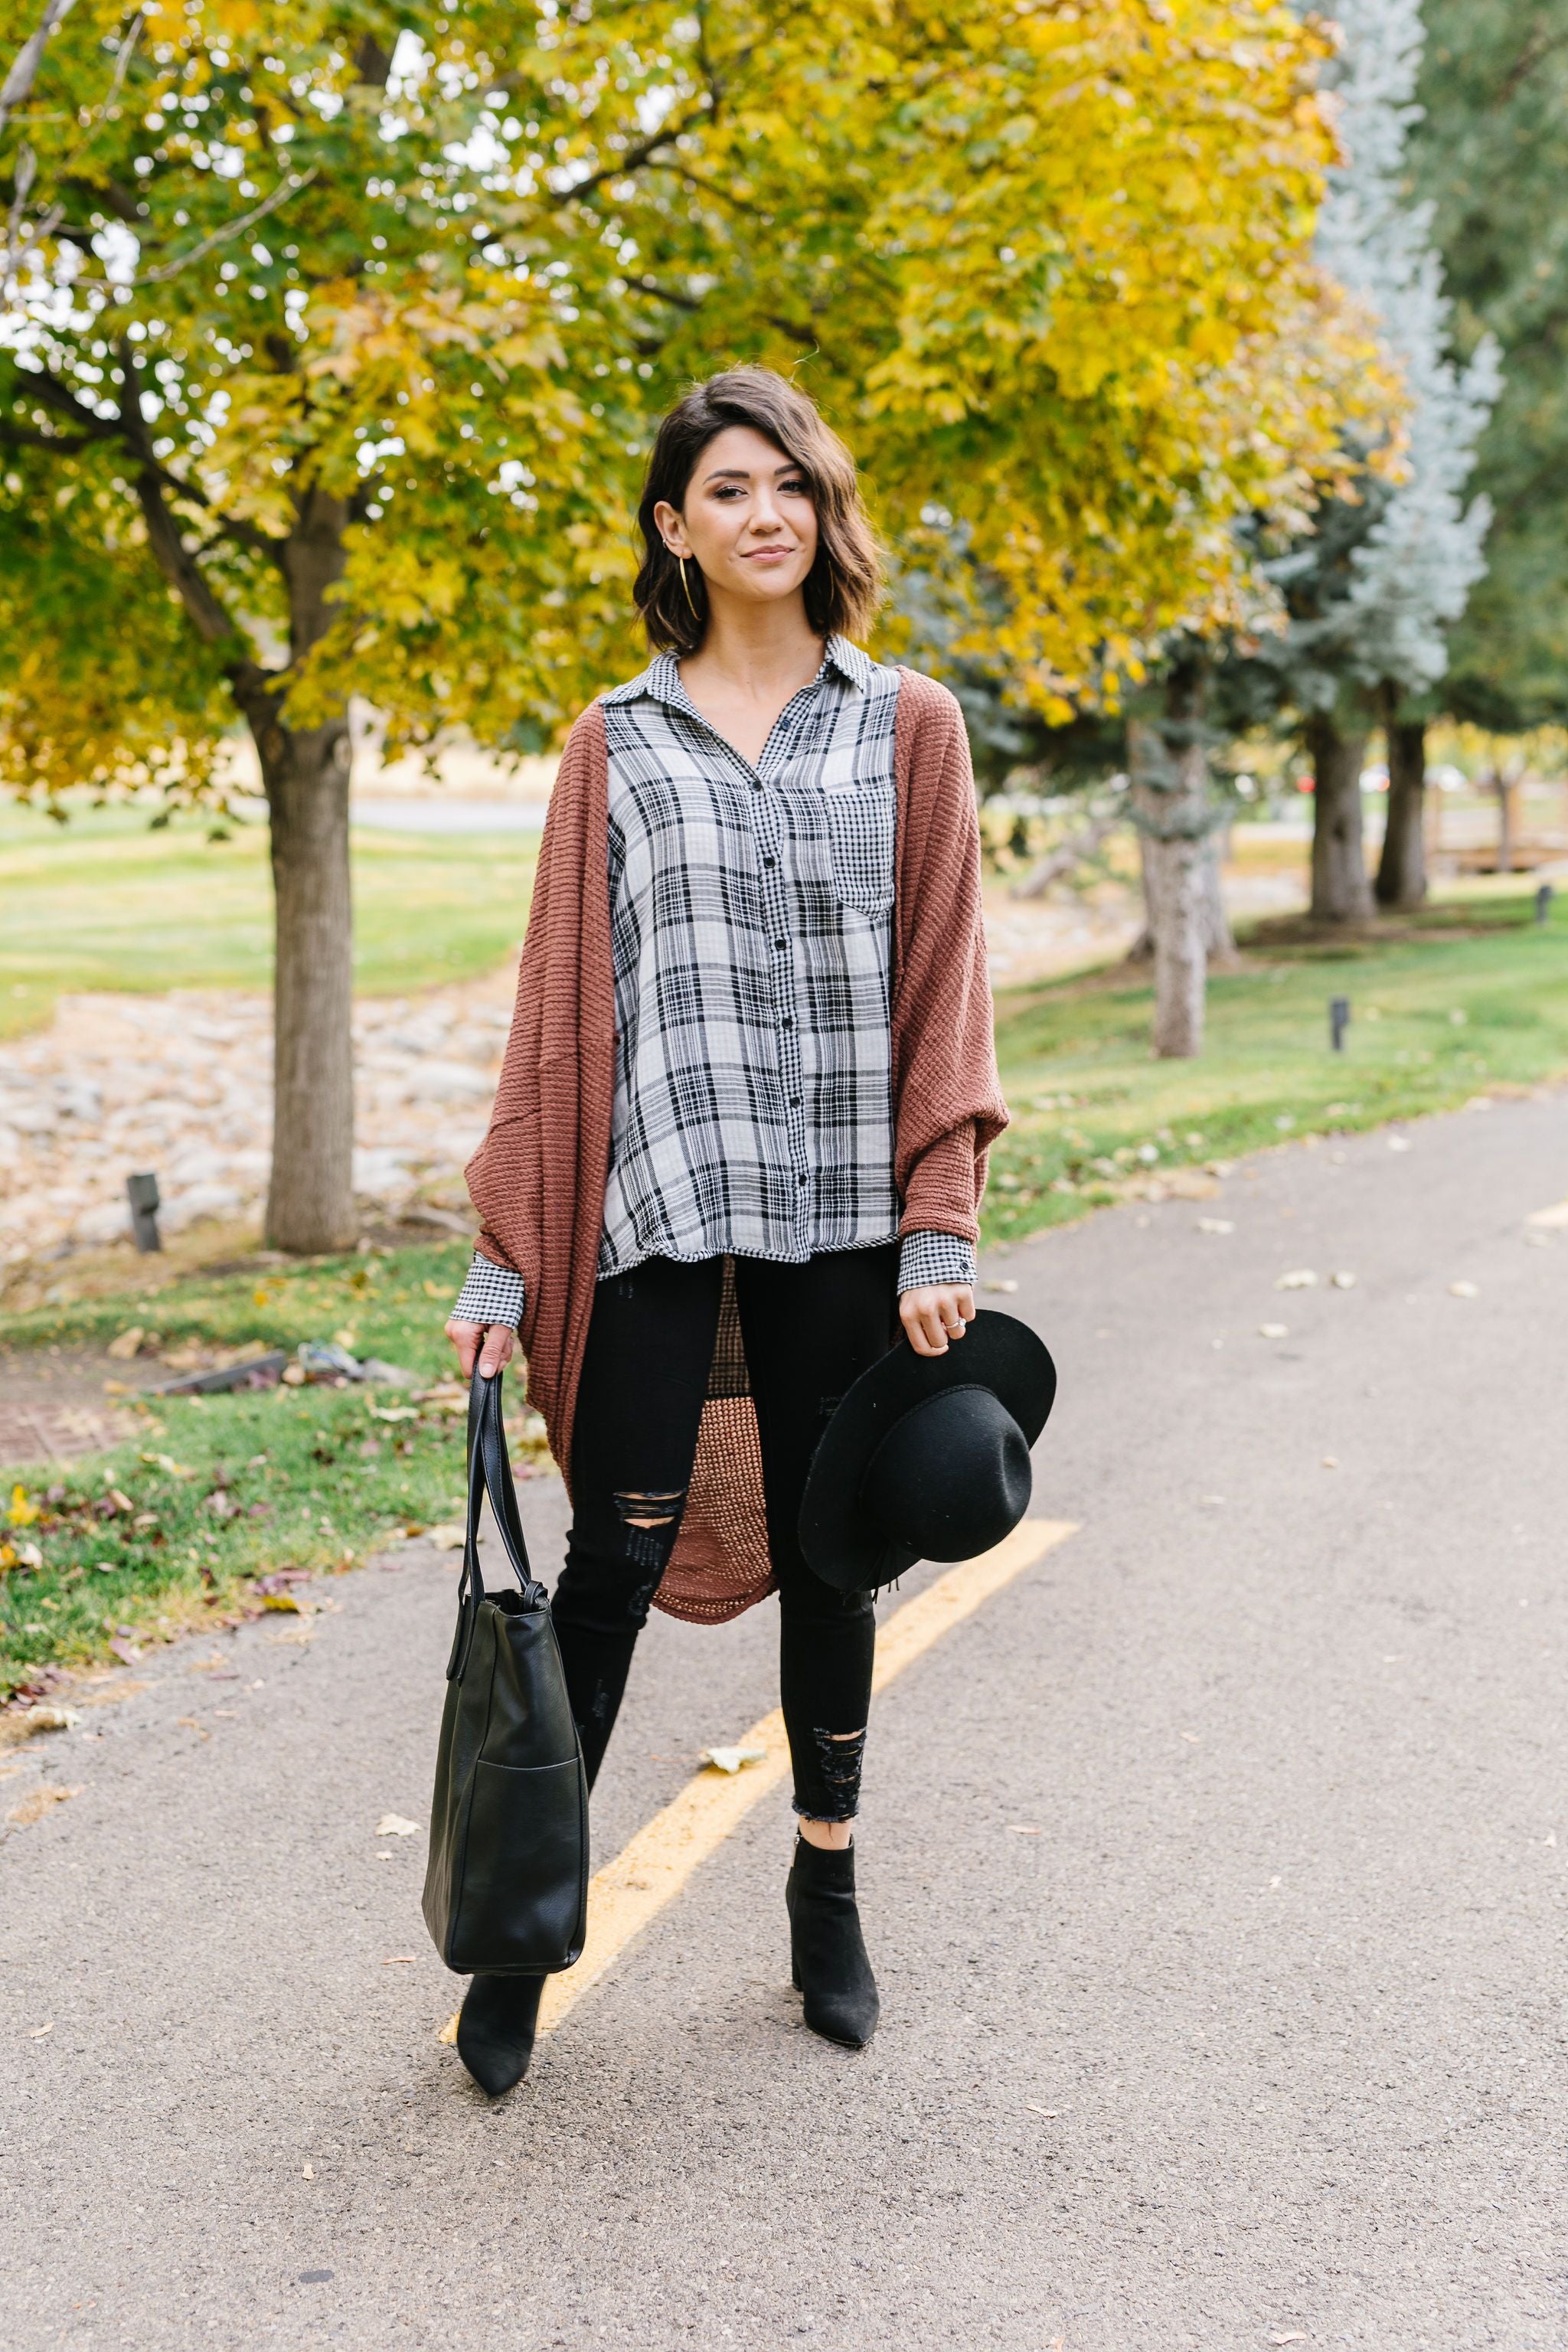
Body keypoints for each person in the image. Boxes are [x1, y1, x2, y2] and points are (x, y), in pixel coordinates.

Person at [446, 365, 1007, 2095]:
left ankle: (823, 1890)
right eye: (729, 489)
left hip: (845, 1219)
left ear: (818, 511)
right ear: (671, 527)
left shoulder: (903, 724)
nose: (767, 513)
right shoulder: (611, 744)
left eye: (791, 485)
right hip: (660, 1212)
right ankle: (531, 1924)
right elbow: (559, 1011)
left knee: (840, 1558)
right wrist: (500, 1257)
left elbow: (944, 987)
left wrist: (940, 1225)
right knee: (606, 1569)